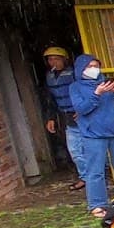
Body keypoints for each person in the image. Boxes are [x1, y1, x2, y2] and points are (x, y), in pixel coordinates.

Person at [69, 54, 114, 219]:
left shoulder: (104, 82)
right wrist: (97, 93)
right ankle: (97, 204)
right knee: (95, 171)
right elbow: (82, 109)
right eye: (89, 66)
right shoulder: (75, 87)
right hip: (93, 134)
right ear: (81, 69)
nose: (94, 69)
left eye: (96, 65)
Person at [40, 46, 86, 191]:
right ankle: (85, 177)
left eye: (56, 59)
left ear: (64, 60)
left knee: (92, 148)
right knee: (75, 150)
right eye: (50, 59)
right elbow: (50, 100)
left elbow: (86, 92)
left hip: (84, 116)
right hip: (67, 118)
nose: (53, 62)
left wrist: (83, 109)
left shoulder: (74, 74)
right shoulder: (50, 77)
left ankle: (98, 176)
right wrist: (51, 118)